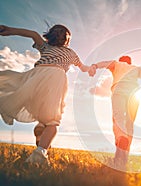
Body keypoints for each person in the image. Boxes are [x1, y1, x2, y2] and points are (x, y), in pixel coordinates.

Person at [0, 24, 96, 165]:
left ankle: (41, 127)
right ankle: (40, 153)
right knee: (52, 122)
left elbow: (32, 33)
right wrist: (91, 69)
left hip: (36, 78)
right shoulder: (70, 53)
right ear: (67, 40)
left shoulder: (46, 47)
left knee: (40, 112)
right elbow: (83, 67)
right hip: (55, 78)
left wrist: (9, 30)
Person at [92, 56, 141, 170]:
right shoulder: (135, 68)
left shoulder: (117, 64)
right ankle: (122, 159)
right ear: (130, 62)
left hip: (119, 90)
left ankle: (121, 138)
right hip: (134, 94)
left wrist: (94, 66)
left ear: (121, 61)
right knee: (129, 125)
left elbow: (104, 63)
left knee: (118, 119)